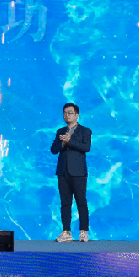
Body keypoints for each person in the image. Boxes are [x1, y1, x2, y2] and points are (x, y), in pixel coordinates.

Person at [51, 102, 93, 242]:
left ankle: (83, 232)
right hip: (63, 172)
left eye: (70, 113)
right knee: (65, 203)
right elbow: (53, 150)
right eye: (65, 113)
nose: (67, 115)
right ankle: (66, 232)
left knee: (81, 201)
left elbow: (86, 148)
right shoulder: (60, 131)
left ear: (77, 115)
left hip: (78, 172)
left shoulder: (85, 131)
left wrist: (70, 141)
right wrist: (63, 143)